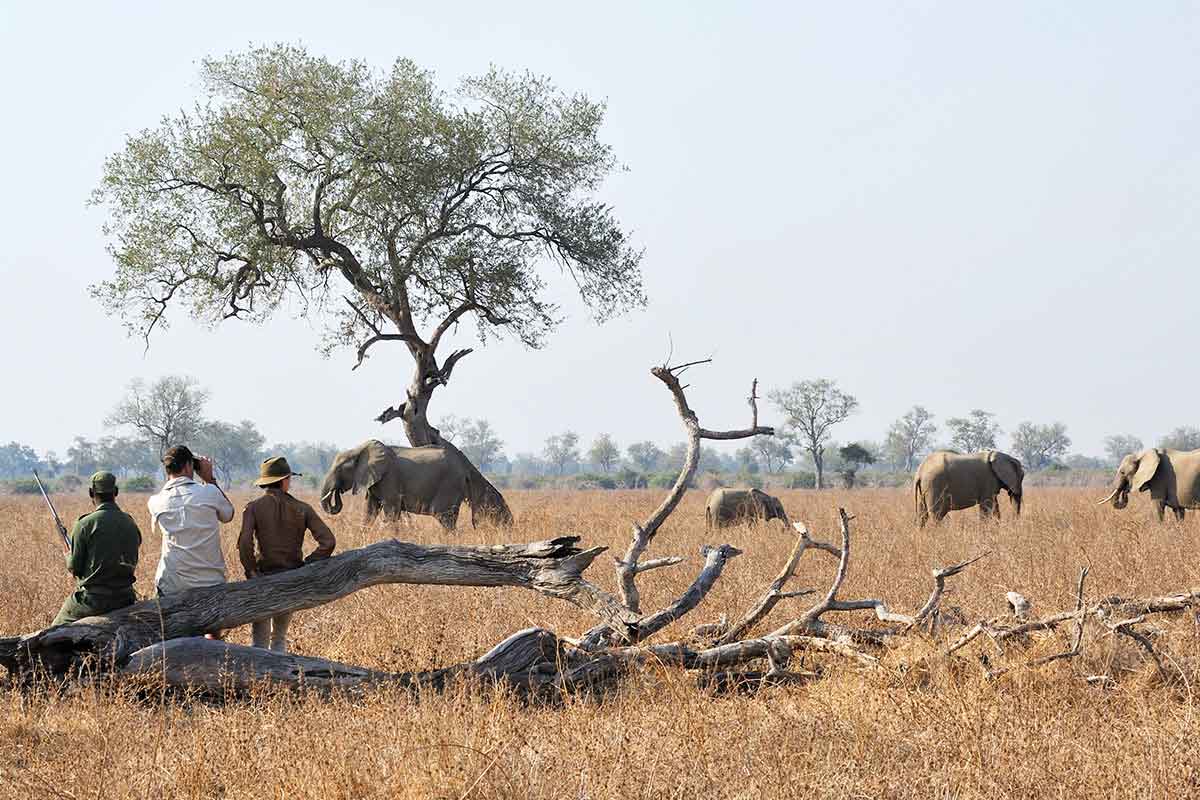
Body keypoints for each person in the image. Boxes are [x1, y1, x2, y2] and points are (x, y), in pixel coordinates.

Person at [238, 456, 336, 652]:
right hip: (291, 579)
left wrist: (251, 571)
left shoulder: (253, 508)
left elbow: (244, 544)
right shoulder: (302, 508)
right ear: (284, 480)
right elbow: (328, 542)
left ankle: (260, 679)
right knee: (279, 638)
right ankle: (278, 678)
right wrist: (307, 565)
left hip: (262, 580)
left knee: (259, 641)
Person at [52, 471, 142, 627]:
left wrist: (67, 555)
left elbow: (75, 568)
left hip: (94, 600)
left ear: (91, 493)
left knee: (53, 630)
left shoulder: (85, 524)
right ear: (116, 492)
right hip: (125, 597)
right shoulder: (130, 522)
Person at [148, 445, 235, 599]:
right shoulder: (209, 492)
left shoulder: (155, 501)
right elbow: (228, 515)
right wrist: (209, 479)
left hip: (171, 584)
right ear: (189, 465)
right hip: (210, 582)